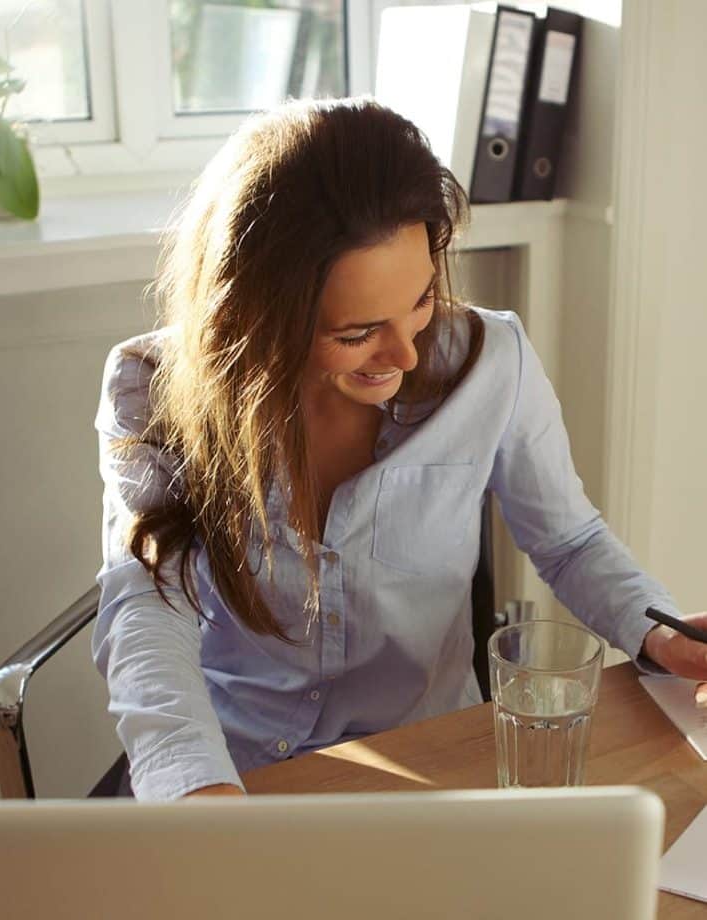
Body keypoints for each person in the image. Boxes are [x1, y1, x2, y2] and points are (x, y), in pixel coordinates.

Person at [92, 96, 707, 800]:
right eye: (356, 333)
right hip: (235, 767)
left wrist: (658, 633)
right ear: (256, 314)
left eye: (420, 302)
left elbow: (569, 542)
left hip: (430, 762)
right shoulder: (152, 385)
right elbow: (147, 599)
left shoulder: (492, 362)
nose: (406, 354)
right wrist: (194, 788)